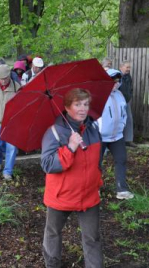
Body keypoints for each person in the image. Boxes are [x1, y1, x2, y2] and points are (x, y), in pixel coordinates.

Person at [41, 88, 104, 268]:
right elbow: (47, 164)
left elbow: (98, 159)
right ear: (67, 107)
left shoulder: (93, 128)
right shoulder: (54, 132)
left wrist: (97, 179)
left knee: (92, 238)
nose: (83, 109)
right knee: (53, 233)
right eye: (77, 104)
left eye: (86, 104)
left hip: (89, 196)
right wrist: (70, 148)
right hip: (61, 195)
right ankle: (53, 264)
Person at [97, 69, 134, 200]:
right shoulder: (99, 95)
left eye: (118, 81)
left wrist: (122, 125)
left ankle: (121, 189)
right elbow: (93, 116)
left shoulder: (119, 95)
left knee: (121, 159)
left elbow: (123, 112)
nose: (116, 83)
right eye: (113, 81)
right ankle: (94, 189)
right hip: (100, 136)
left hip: (117, 135)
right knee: (96, 163)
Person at [119, 61, 136, 147]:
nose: (128, 69)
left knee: (129, 119)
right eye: (127, 67)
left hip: (127, 101)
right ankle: (119, 140)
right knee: (119, 120)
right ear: (121, 67)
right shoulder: (117, 76)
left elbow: (131, 88)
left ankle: (128, 140)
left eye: (129, 67)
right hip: (118, 102)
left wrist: (130, 96)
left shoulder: (128, 77)